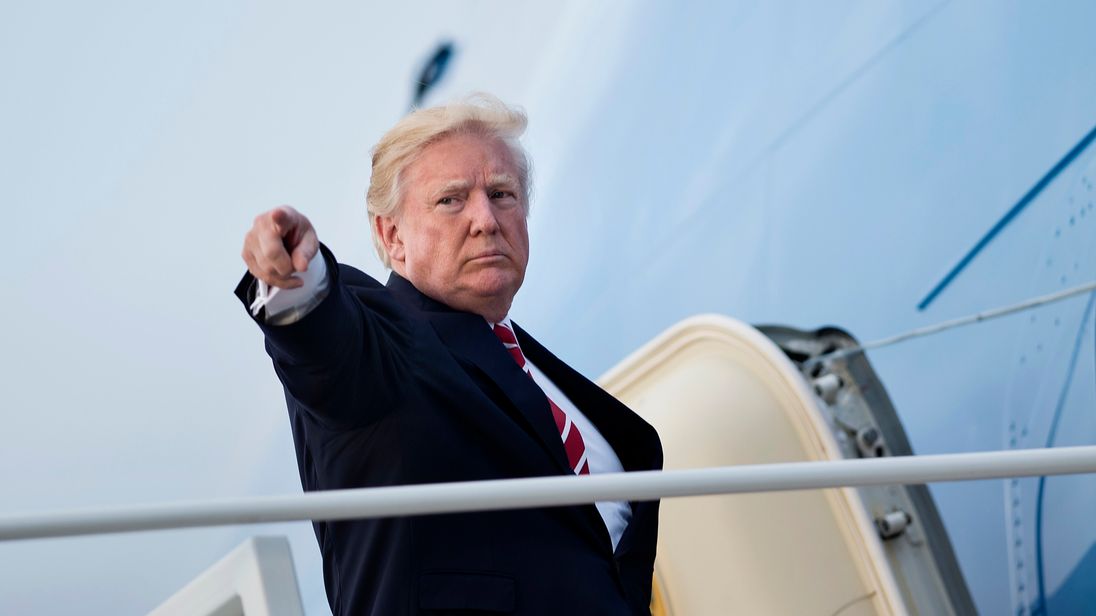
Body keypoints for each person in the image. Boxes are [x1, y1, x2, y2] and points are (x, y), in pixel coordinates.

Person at [236, 94, 662, 615]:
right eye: (451, 200)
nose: (485, 219)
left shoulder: (532, 368)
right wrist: (297, 279)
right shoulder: (387, 344)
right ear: (392, 237)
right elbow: (329, 343)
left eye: (502, 194)